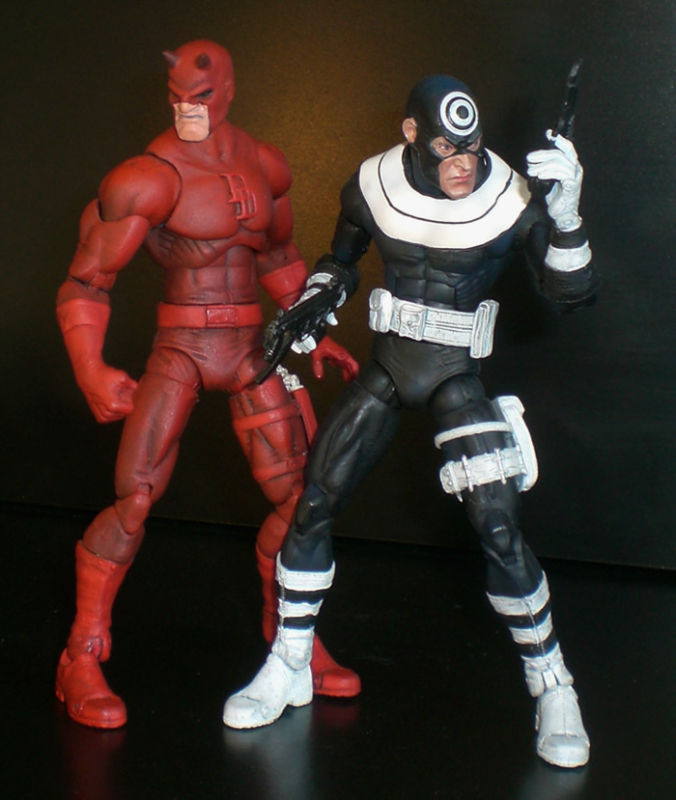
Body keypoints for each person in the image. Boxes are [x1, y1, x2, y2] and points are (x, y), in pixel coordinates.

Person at [223, 74, 598, 769]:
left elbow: (569, 295)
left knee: (498, 525)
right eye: (447, 149)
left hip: (456, 373)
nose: (464, 164)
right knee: (314, 501)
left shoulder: (509, 195)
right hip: (390, 366)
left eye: (473, 148)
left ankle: (554, 684)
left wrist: (568, 214)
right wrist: (314, 300)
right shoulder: (373, 184)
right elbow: (340, 261)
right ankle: (290, 662)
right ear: (412, 137)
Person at [55, 39, 361, 730]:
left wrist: (313, 330)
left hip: (251, 346)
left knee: (302, 499)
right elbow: (86, 281)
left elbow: (279, 255)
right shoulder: (148, 177)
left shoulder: (265, 165)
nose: (186, 111)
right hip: (182, 348)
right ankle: (81, 653)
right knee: (134, 497)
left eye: (199, 98)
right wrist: (89, 366)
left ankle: (290, 639)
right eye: (176, 100)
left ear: (227, 90)